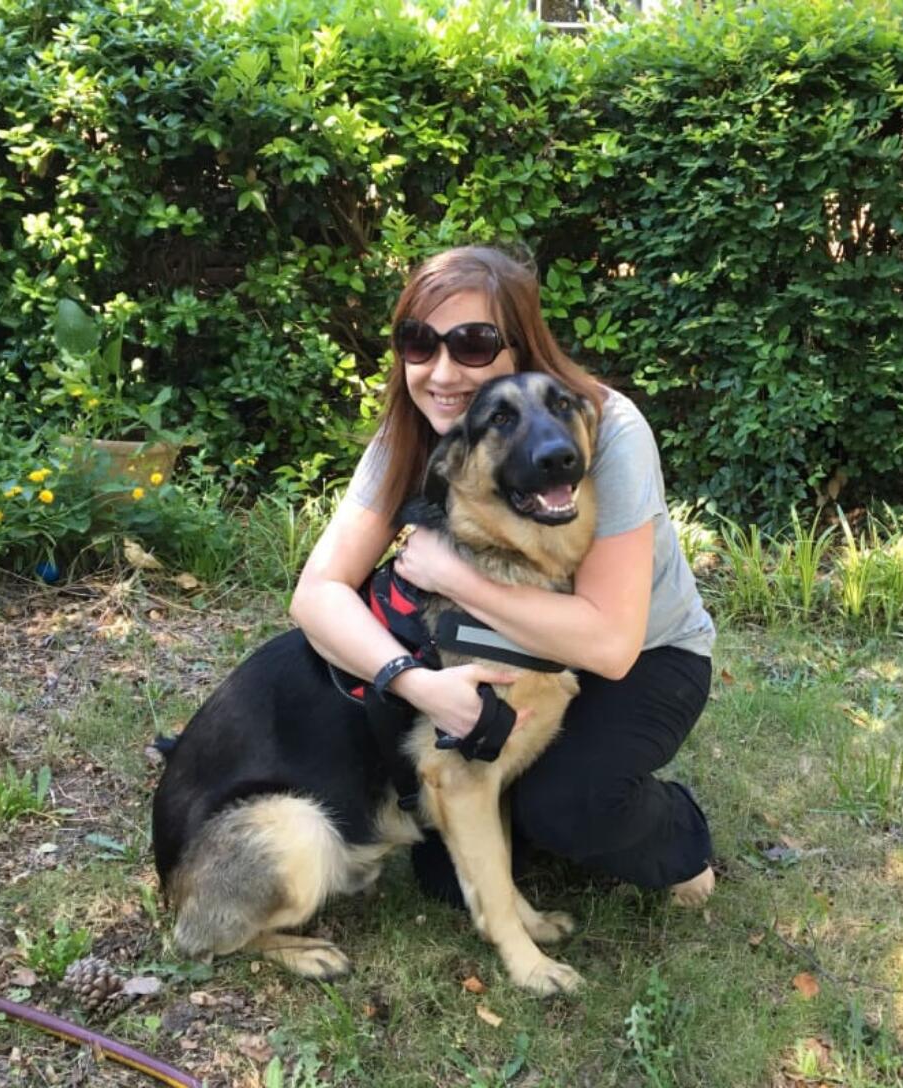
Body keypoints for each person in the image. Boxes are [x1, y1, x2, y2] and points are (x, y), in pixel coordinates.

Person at [290, 245, 717, 907]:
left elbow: (610, 643)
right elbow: (317, 594)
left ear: (522, 347)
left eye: (473, 344)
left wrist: (455, 578)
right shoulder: (415, 431)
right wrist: (420, 685)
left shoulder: (606, 428)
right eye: (418, 344)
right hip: (506, 660)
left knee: (570, 805)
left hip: (644, 661)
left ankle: (676, 838)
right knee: (444, 880)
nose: (441, 372)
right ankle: (543, 817)